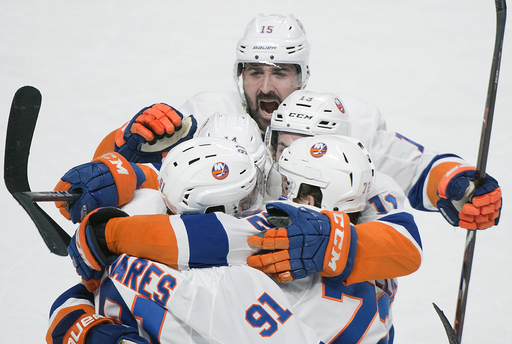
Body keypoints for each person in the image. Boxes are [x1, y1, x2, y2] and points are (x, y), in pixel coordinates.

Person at [82, 13, 500, 233]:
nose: (266, 88)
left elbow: (417, 168)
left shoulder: (345, 118)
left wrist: (458, 183)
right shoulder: (208, 113)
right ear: (239, 75)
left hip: (319, 280)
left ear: (303, 76)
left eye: (280, 73)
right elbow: (129, 174)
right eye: (254, 72)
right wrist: (128, 141)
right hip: (226, 286)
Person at [49, 134, 421, 343]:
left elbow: (211, 237)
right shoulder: (376, 232)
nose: (276, 191)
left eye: (288, 183)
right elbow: (408, 243)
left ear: (311, 197)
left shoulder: (278, 234)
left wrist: (108, 232)